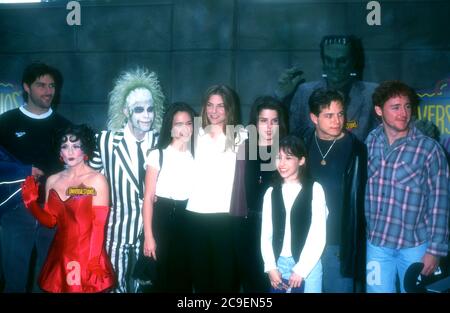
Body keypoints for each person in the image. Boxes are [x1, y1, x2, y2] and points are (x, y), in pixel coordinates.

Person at [365, 80, 449, 293]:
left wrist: (435, 250)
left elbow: (440, 203)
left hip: (415, 246)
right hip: (377, 243)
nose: (403, 113)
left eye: (407, 106)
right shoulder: (371, 141)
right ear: (378, 110)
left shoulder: (429, 149)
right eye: (395, 107)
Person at [90, 67, 165, 293]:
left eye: (150, 109)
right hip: (116, 232)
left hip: (153, 231)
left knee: (147, 288)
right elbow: (87, 183)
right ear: (125, 111)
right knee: (114, 285)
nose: (146, 115)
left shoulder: (162, 141)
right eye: (139, 109)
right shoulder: (105, 141)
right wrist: (69, 192)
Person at [0, 62, 71, 292]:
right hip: (16, 212)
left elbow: (79, 175)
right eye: (41, 85)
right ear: (26, 87)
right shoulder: (6, 123)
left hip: (52, 213)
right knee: (14, 280)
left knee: (48, 280)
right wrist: (23, 171)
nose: (48, 91)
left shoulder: (65, 127)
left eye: (52, 85)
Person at [20, 124, 114, 293]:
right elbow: (50, 221)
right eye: (65, 146)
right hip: (60, 257)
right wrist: (31, 204)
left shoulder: (97, 180)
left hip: (89, 256)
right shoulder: (53, 181)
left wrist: (93, 261)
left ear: (85, 149)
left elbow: (99, 226)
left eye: (76, 146)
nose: (70, 152)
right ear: (60, 152)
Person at [304, 88, 367, 292]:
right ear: (314, 117)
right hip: (303, 240)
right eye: (329, 115)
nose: (336, 121)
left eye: (340, 114)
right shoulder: (302, 144)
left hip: (338, 244)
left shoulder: (357, 149)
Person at [186, 84, 245, 292]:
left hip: (226, 218)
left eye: (220, 106)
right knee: (201, 282)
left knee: (225, 281)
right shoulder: (193, 135)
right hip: (195, 216)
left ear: (229, 108)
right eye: (210, 105)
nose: (214, 111)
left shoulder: (242, 136)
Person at [276, 35, 379, 142]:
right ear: (323, 62)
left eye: (342, 61)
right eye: (329, 60)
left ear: (353, 62)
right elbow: (290, 137)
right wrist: (280, 96)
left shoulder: (370, 94)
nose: (334, 66)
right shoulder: (305, 93)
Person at [260, 135, 328, 293]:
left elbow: (318, 234)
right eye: (278, 157)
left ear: (301, 160)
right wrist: (270, 266)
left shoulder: (315, 189)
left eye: (288, 158)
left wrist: (301, 269)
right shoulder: (271, 192)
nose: (281, 164)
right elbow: (266, 234)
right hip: (279, 264)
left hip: (308, 265)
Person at [235, 96, 287, 292]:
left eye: (274, 121)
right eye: (263, 120)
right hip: (246, 228)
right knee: (251, 285)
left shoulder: (285, 151)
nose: (268, 127)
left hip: (277, 229)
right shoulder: (243, 149)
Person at [142, 102, 196, 292]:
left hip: (189, 220)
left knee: (184, 279)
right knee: (161, 280)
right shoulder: (158, 155)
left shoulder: (198, 155)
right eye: (178, 124)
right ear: (170, 127)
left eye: (188, 123)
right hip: (162, 220)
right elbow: (148, 198)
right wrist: (148, 236)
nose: (184, 128)